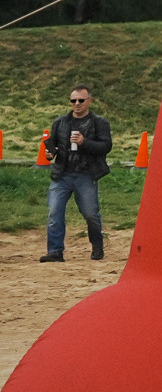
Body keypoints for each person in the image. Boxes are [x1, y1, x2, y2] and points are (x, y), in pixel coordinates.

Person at [41, 85, 113, 263]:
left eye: (81, 100)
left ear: (90, 101)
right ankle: (55, 251)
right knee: (54, 212)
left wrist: (84, 142)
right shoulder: (60, 122)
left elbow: (106, 147)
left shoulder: (99, 123)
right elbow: (54, 145)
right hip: (62, 174)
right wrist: (50, 154)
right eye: (73, 100)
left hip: (86, 174)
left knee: (90, 214)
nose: (77, 104)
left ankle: (97, 245)